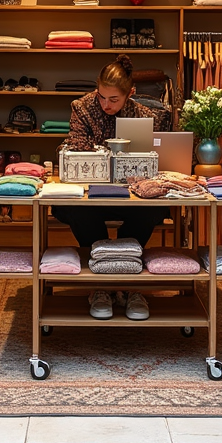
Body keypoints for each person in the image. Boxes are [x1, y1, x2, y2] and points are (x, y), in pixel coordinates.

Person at [52, 55, 166, 320]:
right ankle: (101, 284)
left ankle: (129, 284)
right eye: (101, 96)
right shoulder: (81, 107)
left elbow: (153, 158)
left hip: (131, 195)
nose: (106, 104)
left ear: (131, 94)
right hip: (90, 193)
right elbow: (76, 147)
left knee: (151, 209)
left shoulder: (144, 114)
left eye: (114, 99)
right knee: (81, 212)